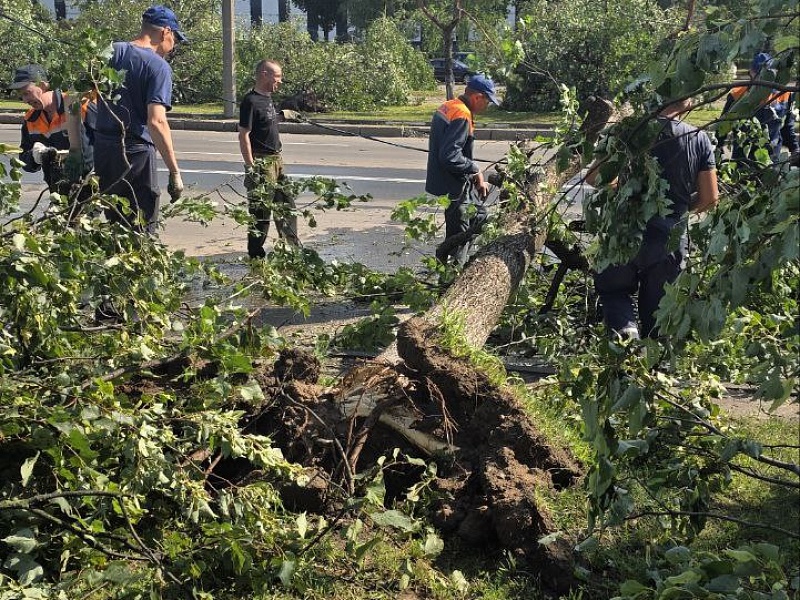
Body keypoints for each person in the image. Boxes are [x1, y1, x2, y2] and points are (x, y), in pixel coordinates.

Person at [588, 98, 719, 340]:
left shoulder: (628, 130)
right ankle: (651, 366)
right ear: (687, 101)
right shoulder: (698, 138)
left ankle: (625, 337)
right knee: (659, 313)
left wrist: (623, 191)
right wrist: (678, 207)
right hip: (668, 238)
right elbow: (710, 199)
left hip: (623, 232)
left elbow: (595, 177)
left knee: (614, 291)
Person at [93, 5, 186, 235]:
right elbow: (156, 122)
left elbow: (75, 98)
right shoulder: (158, 67)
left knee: (116, 224)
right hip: (135, 154)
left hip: (104, 151)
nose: (173, 46)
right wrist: (175, 172)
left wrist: (77, 148)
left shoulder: (111, 51)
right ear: (165, 32)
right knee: (141, 228)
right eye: (174, 38)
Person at [425, 74, 501, 265]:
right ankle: (454, 276)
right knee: (460, 235)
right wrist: (474, 168)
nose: (488, 106)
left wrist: (476, 176)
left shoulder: (450, 105)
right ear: (477, 97)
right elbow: (450, 156)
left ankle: (460, 265)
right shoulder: (462, 114)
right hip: (455, 188)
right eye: (488, 101)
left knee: (480, 217)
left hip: (450, 184)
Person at [238, 59, 303, 259]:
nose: (280, 81)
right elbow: (244, 134)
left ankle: (292, 250)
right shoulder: (250, 101)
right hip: (262, 162)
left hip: (277, 160)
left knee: (286, 205)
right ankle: (256, 255)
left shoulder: (267, 98)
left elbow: (267, 119)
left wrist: (283, 115)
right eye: (277, 76)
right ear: (264, 74)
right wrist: (251, 167)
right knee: (261, 212)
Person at [10, 64, 95, 197]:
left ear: (43, 85)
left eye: (27, 93)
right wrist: (34, 156)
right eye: (22, 96)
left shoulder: (79, 105)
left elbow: (107, 142)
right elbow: (24, 161)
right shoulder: (31, 120)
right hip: (58, 192)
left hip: (90, 188)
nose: (25, 100)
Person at [722, 52, 798, 166]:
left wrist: (795, 149)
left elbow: (786, 128)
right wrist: (716, 152)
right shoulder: (737, 95)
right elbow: (723, 126)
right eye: (759, 75)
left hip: (772, 163)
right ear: (751, 73)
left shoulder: (784, 94)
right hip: (742, 162)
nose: (763, 80)